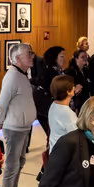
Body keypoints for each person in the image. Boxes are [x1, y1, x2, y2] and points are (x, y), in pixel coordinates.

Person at [0, 42, 36, 187]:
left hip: (24, 128)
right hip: (14, 129)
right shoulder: (12, 77)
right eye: (29, 53)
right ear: (17, 59)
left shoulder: (23, 74)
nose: (32, 56)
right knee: (11, 167)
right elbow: (2, 102)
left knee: (19, 164)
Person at [32, 46, 66, 179]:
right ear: (54, 58)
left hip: (54, 112)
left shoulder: (58, 71)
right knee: (54, 142)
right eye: (61, 57)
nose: (64, 59)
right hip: (49, 113)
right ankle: (45, 171)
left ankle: (45, 171)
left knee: (55, 141)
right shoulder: (49, 73)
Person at [48, 75, 78, 152]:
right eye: (73, 86)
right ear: (68, 91)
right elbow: (76, 137)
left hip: (54, 149)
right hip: (64, 154)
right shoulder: (68, 114)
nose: (74, 87)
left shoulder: (54, 105)